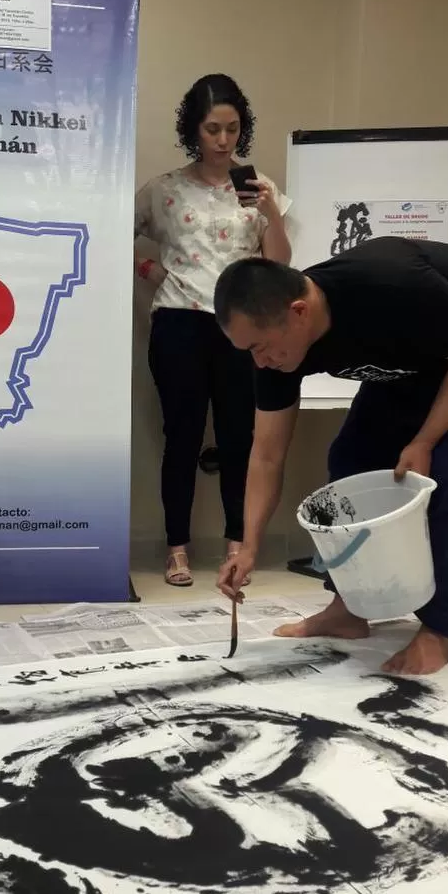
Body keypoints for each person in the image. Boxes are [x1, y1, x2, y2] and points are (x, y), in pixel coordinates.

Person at [213, 236, 448, 675]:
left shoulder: (390, 286)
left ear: (299, 312)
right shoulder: (278, 350)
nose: (259, 361)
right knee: (352, 457)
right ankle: (348, 608)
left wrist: (424, 440)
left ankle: (442, 628)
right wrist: (249, 545)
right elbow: (267, 455)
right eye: (248, 351)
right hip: (413, 351)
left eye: (259, 347)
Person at [134, 73, 291, 587]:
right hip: (179, 322)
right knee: (180, 438)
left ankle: (237, 544)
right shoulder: (163, 190)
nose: (224, 141)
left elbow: (280, 267)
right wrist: (149, 270)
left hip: (242, 329)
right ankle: (176, 548)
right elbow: (109, 232)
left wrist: (272, 215)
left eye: (233, 128)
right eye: (212, 129)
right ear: (193, 131)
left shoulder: (261, 189)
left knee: (239, 439)